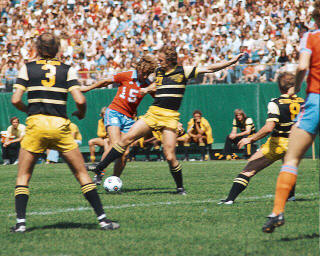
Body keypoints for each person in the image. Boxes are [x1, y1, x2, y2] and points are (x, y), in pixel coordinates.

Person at [89, 45, 243, 195]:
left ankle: (180, 187)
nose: (159, 62)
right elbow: (153, 83)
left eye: (161, 60)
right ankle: (99, 167)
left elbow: (209, 68)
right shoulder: (158, 71)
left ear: (169, 60)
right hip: (153, 113)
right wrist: (146, 89)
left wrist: (231, 62)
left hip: (170, 117)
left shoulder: (183, 71)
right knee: (126, 139)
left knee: (169, 156)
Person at [10, 33, 119, 233]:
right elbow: (80, 100)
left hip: (36, 124)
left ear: (37, 48)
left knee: (23, 176)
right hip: (60, 124)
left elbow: (16, 99)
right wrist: (81, 113)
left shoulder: (27, 68)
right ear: (57, 49)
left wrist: (29, 110)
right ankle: (103, 221)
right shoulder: (67, 70)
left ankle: (20, 225)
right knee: (81, 174)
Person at [262, 3, 320, 233]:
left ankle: (277, 212)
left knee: (292, 159)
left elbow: (303, 65)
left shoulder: (310, 36)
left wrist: (296, 86)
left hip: (316, 100)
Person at [219, 72, 304, 205]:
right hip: (297, 142)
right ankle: (291, 196)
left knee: (248, 169)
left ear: (280, 87)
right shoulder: (302, 102)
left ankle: (229, 200)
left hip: (279, 143)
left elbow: (269, 128)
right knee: (288, 167)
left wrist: (250, 139)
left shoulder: (275, 103)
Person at [81, 54, 157, 181]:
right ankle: (99, 173)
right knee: (115, 145)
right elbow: (106, 81)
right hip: (114, 112)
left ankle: (114, 180)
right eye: (144, 73)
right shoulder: (127, 75)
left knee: (124, 153)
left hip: (129, 120)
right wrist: (88, 88)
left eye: (148, 74)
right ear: (139, 68)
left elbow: (159, 100)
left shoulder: (147, 84)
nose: (145, 76)